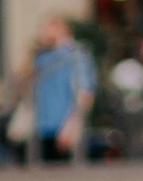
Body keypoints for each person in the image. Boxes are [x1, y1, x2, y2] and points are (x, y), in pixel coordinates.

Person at [28, 11, 95, 163]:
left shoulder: (76, 56)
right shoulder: (42, 57)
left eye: (45, 28)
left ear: (60, 29)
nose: (40, 32)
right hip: (42, 127)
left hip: (64, 129)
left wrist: (73, 124)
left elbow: (85, 93)